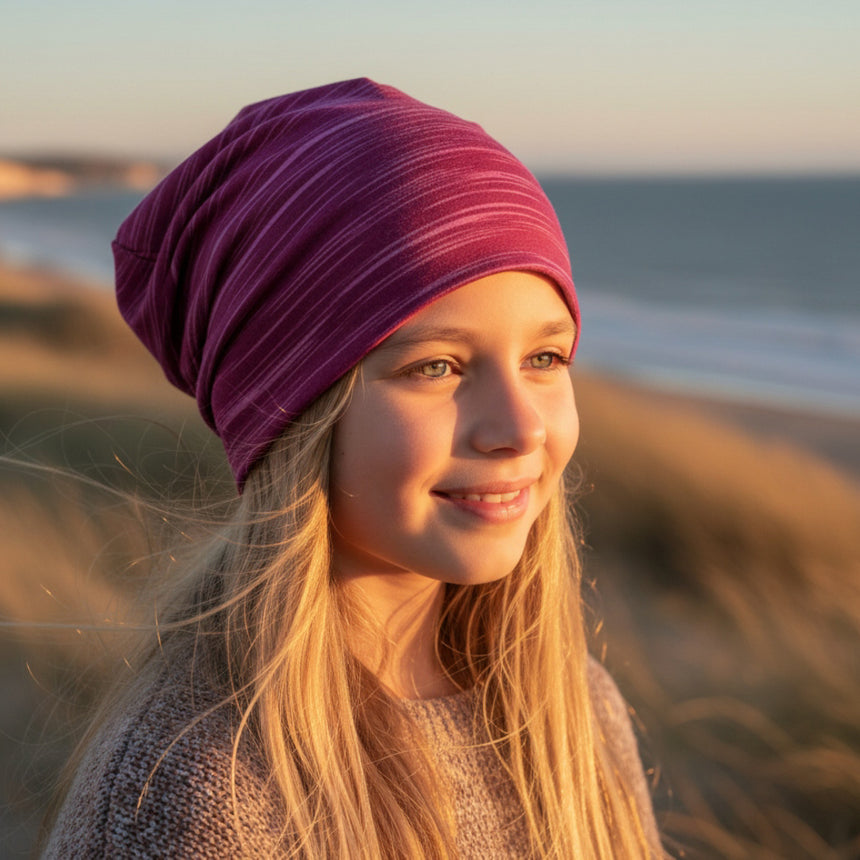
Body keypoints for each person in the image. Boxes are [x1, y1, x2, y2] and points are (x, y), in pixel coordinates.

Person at [43, 78, 662, 858]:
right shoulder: (200, 790)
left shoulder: (574, 719)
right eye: (435, 367)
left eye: (545, 357)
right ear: (296, 414)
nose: (519, 427)